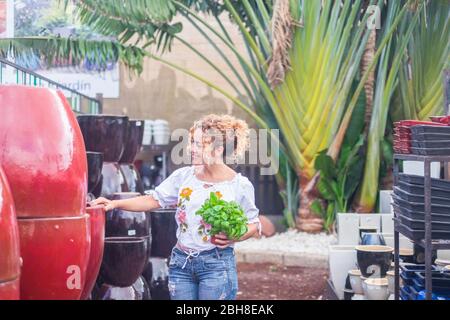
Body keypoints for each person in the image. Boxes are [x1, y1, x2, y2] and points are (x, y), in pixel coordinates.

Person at [91, 114, 261, 300]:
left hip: (217, 265)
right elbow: (153, 200)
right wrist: (114, 203)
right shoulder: (184, 176)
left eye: (199, 144)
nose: (191, 149)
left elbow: (254, 224)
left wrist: (235, 235)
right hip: (181, 263)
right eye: (192, 143)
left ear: (218, 149)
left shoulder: (239, 185)